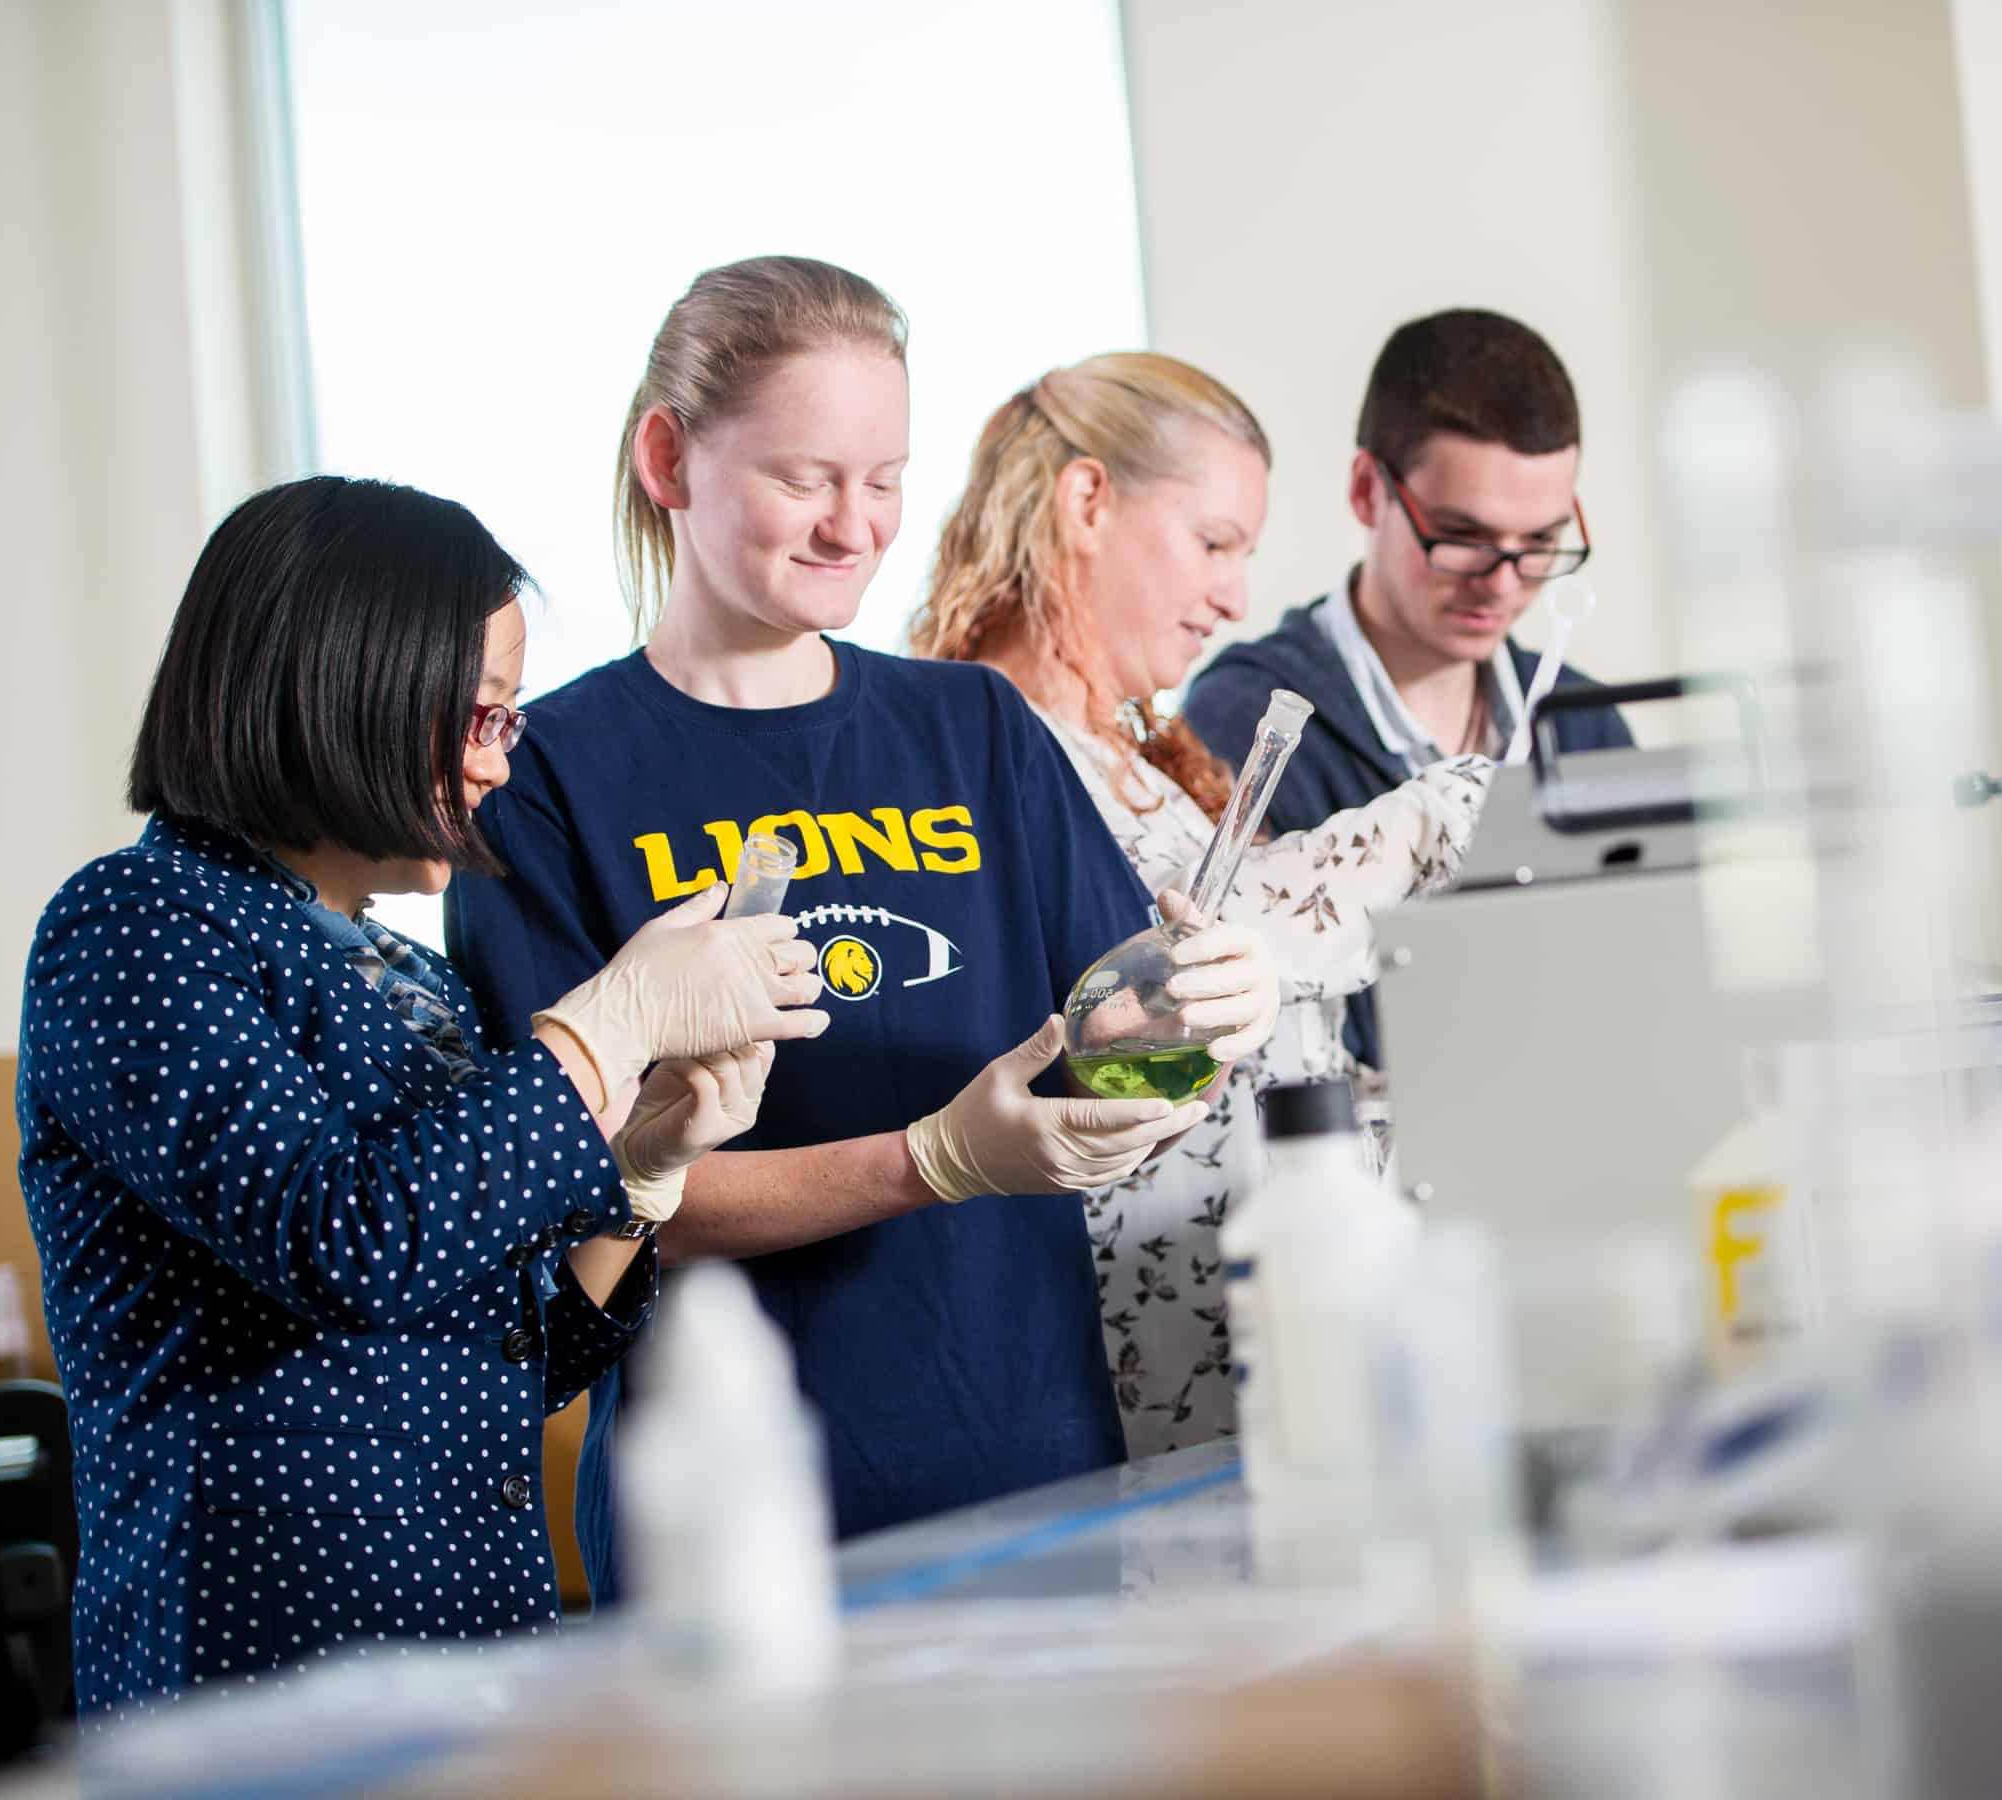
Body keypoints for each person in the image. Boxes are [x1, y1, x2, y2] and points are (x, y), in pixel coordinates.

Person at [444, 257, 1279, 1585]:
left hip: (1035, 1487)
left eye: (885, 480)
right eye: (802, 478)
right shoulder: (544, 777)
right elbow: (586, 1203)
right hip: (734, 1524)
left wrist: (1207, 1012)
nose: (854, 525)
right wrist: (931, 1159)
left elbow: (1103, 1056)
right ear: (670, 458)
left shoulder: (974, 731)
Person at [16, 477, 819, 1712]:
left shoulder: (411, 975)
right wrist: (609, 1022)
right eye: (487, 716)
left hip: (474, 1632)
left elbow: (514, 1357)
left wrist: (640, 1174)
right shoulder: (136, 927)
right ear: (342, 690)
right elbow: (348, 1243)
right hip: (264, 1664)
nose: (505, 760)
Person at [910, 351, 1491, 1455]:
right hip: (1154, 1378)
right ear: (1086, 501)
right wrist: (1417, 826)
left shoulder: (1142, 761)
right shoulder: (976, 751)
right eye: (1212, 543)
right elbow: (1109, 1022)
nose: (1230, 596)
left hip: (1280, 1321)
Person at [1184, 308, 1632, 1071]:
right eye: (1461, 537)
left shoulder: (1583, 730)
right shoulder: (1248, 726)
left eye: (1540, 543)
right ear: (1368, 491)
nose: (1502, 583)